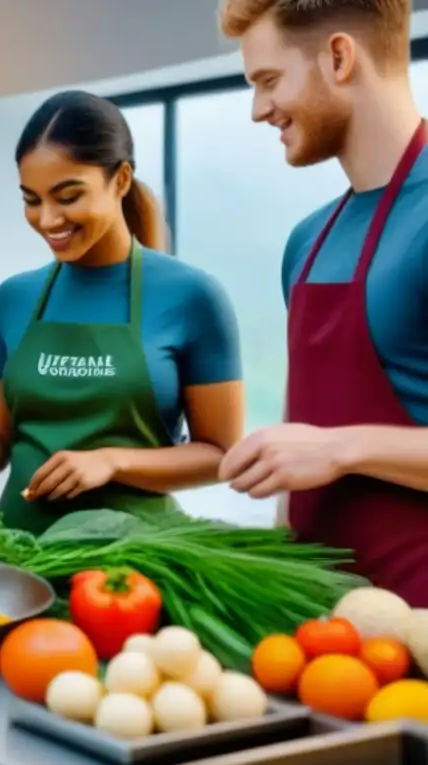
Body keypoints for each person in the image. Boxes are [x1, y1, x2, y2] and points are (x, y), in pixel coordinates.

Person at [0, 90, 245, 535]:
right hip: (19, 553)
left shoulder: (192, 297)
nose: (48, 219)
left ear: (121, 179)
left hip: (137, 562)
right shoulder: (12, 300)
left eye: (68, 196)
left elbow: (221, 455)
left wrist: (111, 462)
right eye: (31, 199)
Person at [217, 0, 428, 605]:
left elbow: (324, 445)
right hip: (318, 632)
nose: (259, 110)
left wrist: (337, 448)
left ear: (339, 57)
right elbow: (302, 434)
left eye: (269, 81)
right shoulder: (307, 241)